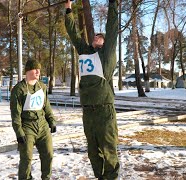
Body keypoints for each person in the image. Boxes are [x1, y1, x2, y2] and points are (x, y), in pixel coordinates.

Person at [64, 0, 120, 179]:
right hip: (88, 112)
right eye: (95, 35)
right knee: (93, 152)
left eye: (99, 36)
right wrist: (68, 10)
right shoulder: (85, 52)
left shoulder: (107, 55)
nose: (96, 36)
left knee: (108, 149)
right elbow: (73, 34)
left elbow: (112, 29)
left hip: (104, 110)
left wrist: (113, 5)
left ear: (104, 43)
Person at [10, 60, 57, 180]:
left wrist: (51, 120)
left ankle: (46, 177)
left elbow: (46, 105)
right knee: (26, 158)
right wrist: (19, 132)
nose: (38, 72)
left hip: (42, 125)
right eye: (35, 69)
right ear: (28, 70)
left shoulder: (42, 86)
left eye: (39, 69)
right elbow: (15, 114)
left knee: (48, 154)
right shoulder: (19, 89)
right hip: (27, 126)